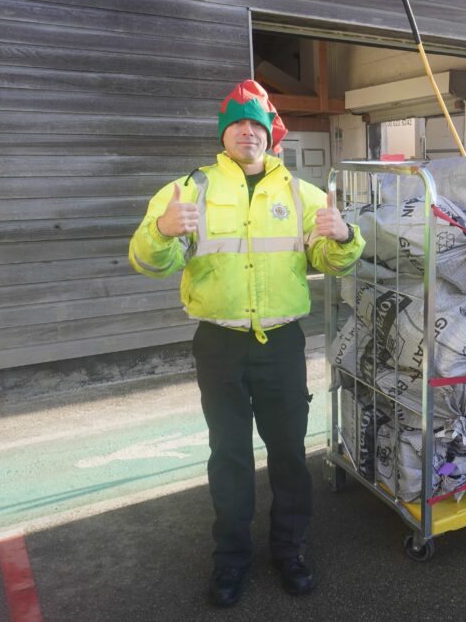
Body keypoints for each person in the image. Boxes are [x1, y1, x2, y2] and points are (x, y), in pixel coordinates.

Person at [129, 79, 364, 606]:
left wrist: (346, 237)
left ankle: (290, 550)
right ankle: (230, 560)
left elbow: (328, 262)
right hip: (219, 344)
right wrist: (162, 230)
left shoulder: (301, 194)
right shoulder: (188, 190)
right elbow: (147, 262)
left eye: (256, 125)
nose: (247, 133)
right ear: (223, 133)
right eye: (237, 124)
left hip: (281, 345)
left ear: (269, 135)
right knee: (228, 455)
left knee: (288, 455)